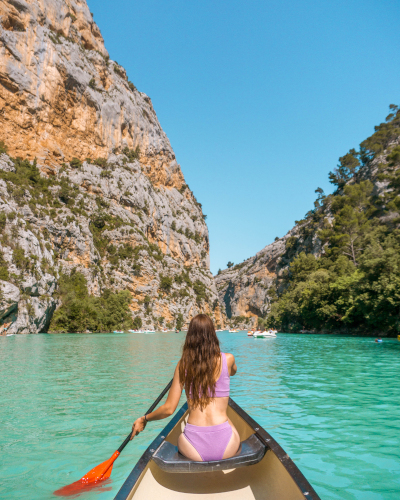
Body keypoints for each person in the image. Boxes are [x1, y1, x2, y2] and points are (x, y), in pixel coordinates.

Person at [131, 314, 240, 462]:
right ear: (213, 335)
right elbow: (233, 372)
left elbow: (168, 409)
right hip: (227, 446)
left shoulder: (183, 365)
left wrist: (145, 418)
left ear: (190, 338)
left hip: (193, 447)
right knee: (228, 420)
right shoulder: (228, 359)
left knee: (182, 436)